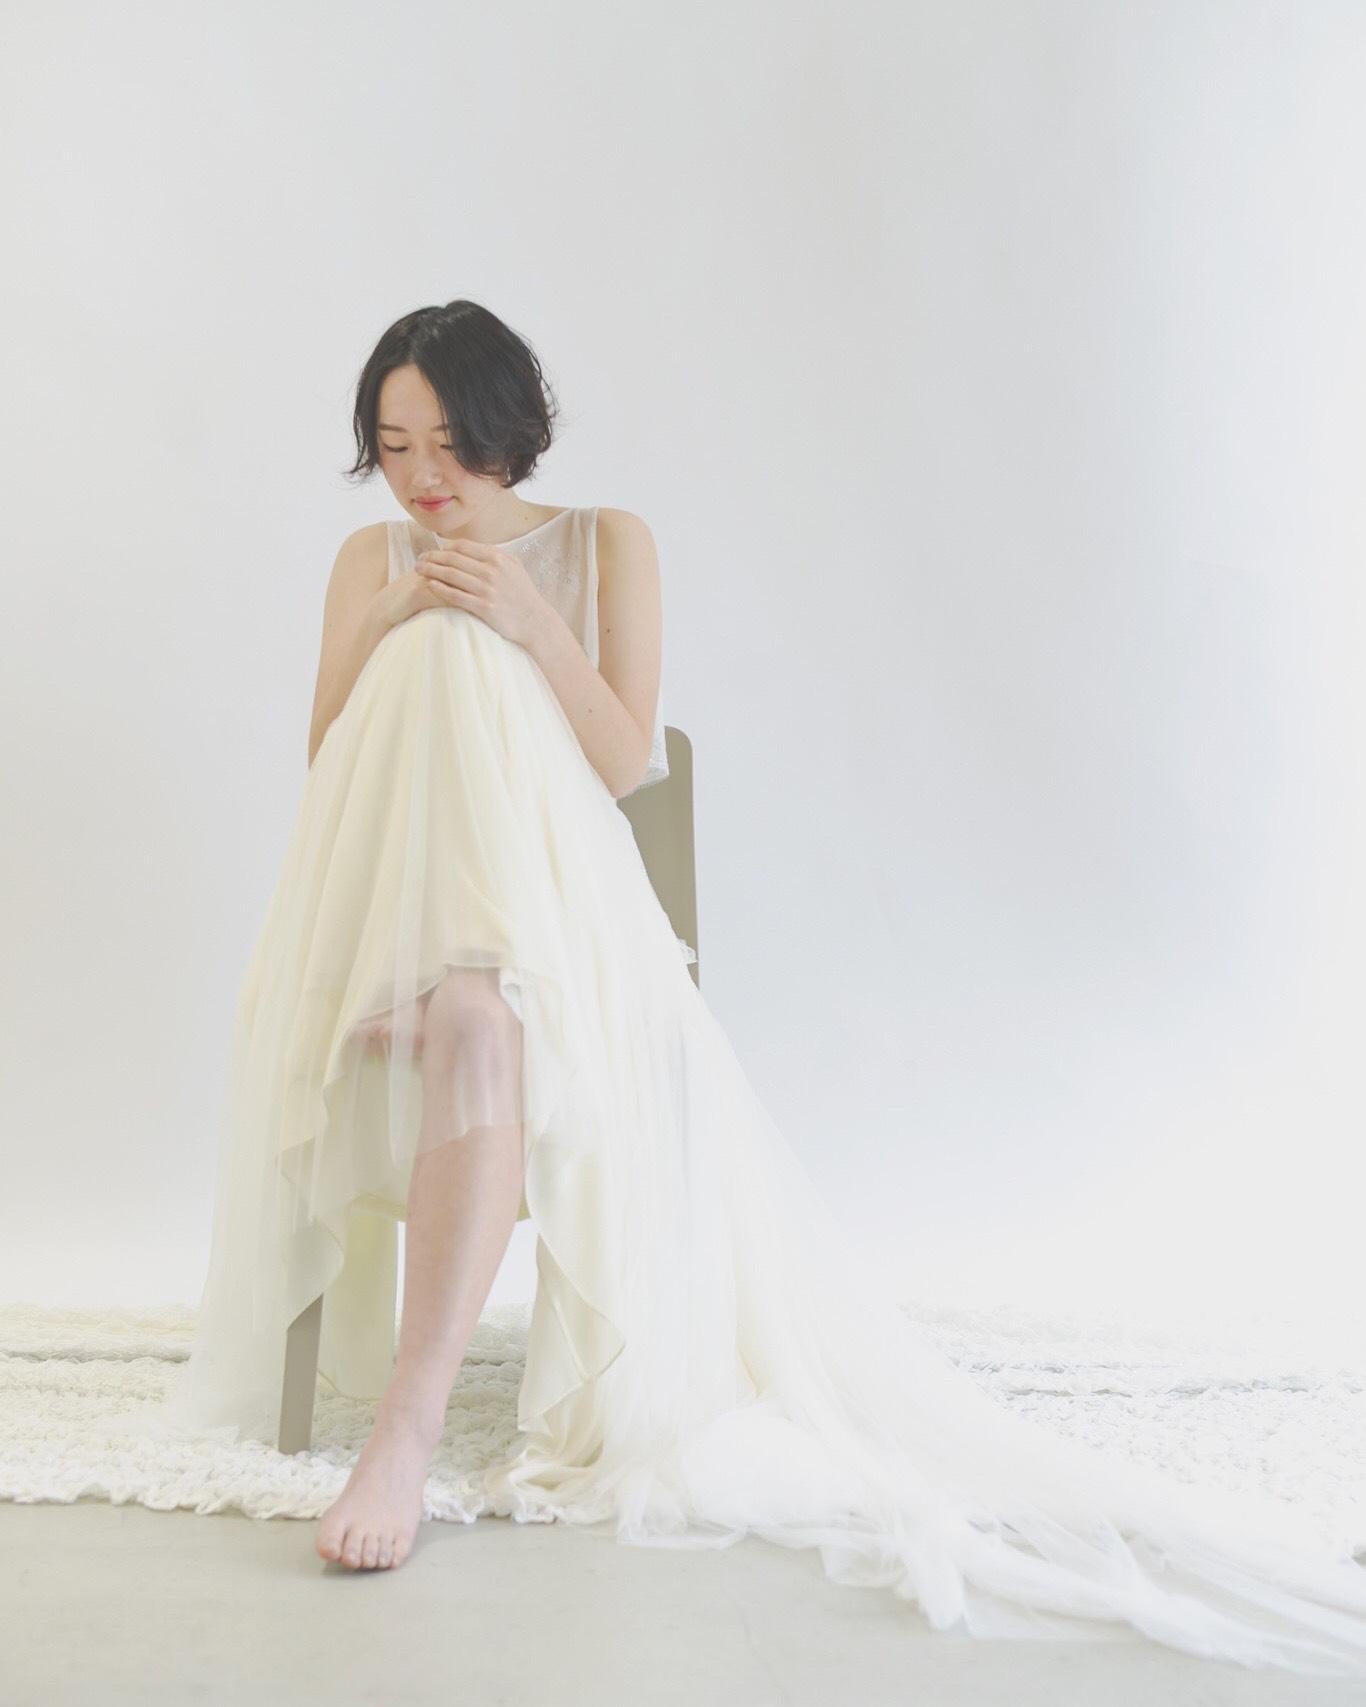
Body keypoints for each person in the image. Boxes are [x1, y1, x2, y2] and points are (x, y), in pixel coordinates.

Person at [110, 299, 1366, 1676]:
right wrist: (400, 609)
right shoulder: (369, 556)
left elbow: (622, 763)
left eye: (449, 444)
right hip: (388, 915)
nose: (422, 478)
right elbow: (330, 755)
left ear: (507, 429)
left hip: (566, 931)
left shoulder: (608, 543)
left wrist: (525, 618)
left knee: (479, 954)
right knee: (434, 675)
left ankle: (404, 1426)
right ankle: (447, 976)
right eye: (395, 446)